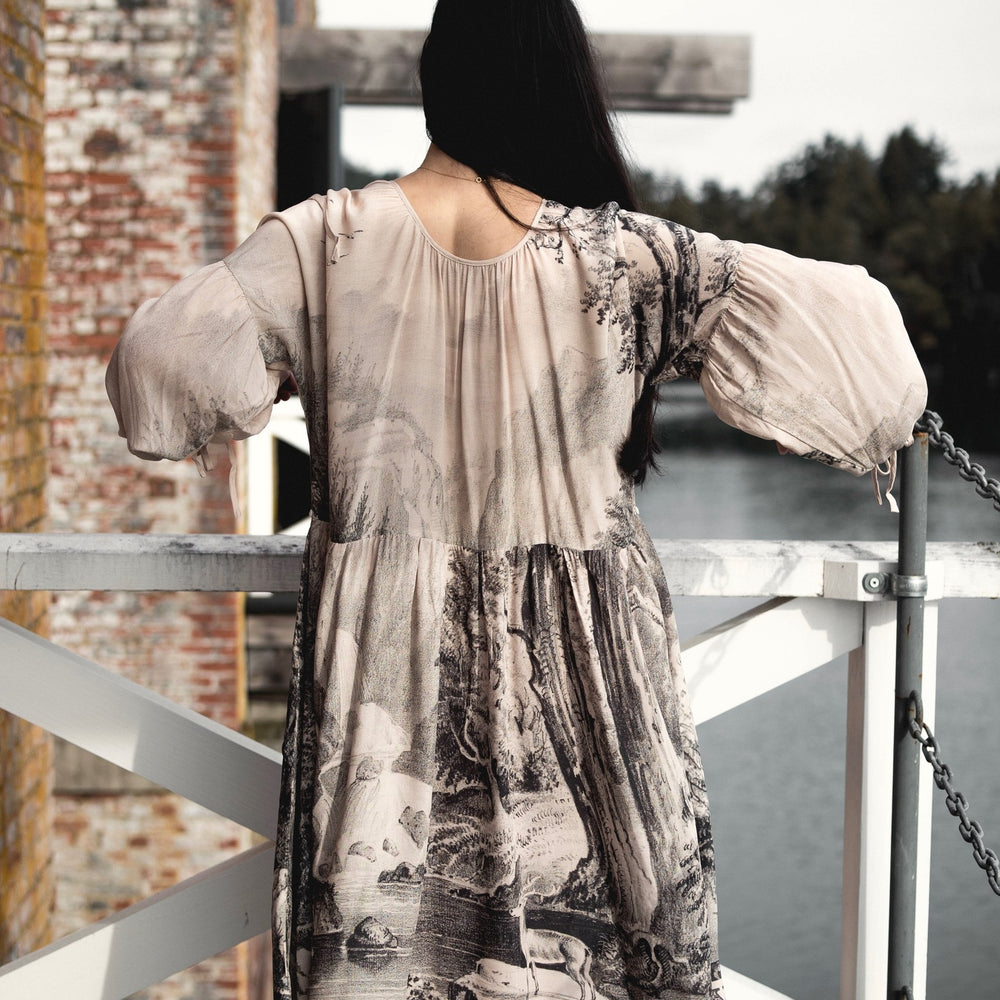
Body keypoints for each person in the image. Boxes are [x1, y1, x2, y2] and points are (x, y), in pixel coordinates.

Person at [105, 2, 927, 998]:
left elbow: (155, 376)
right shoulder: (620, 257)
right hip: (592, 693)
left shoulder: (321, 242)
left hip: (385, 709)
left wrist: (298, 368)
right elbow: (868, 352)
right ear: (556, 87)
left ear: (433, 81)